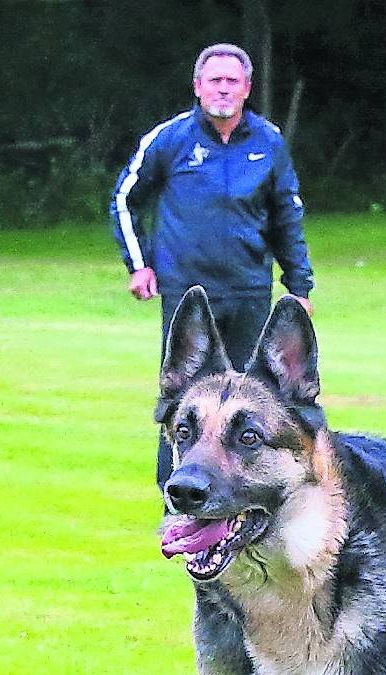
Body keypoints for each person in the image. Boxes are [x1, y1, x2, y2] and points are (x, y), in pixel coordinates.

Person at [110, 42, 316, 486]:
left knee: (254, 401)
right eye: (214, 81)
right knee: (183, 397)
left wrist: (299, 285)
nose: (223, 90)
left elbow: (287, 215)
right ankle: (175, 492)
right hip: (187, 296)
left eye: (232, 81)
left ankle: (239, 493)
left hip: (249, 291)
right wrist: (139, 265)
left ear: (247, 88)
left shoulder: (268, 142)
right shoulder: (171, 139)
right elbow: (126, 200)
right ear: (198, 87)